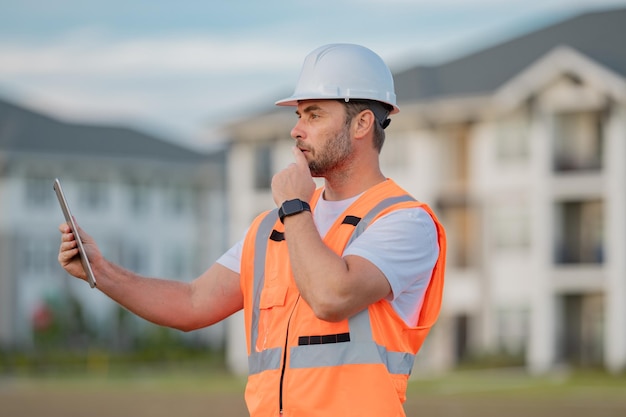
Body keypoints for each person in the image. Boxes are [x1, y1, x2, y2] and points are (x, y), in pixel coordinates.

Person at [58, 43, 446, 417]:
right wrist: (102, 271)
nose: (297, 130)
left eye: (313, 115)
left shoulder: (402, 221)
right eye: (298, 116)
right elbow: (193, 303)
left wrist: (295, 208)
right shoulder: (271, 228)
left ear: (362, 123)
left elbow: (331, 297)